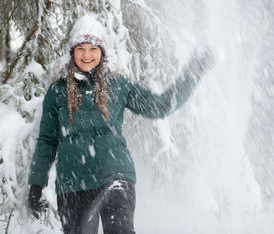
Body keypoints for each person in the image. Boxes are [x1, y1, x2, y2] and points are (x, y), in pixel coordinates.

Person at [27, 14, 213, 234]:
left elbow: (160, 106)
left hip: (114, 176)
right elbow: (47, 141)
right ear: (72, 52)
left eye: (93, 49)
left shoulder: (118, 85)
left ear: (102, 52)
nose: (87, 55)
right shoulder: (57, 91)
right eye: (81, 49)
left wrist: (194, 72)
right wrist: (36, 184)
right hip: (73, 185)